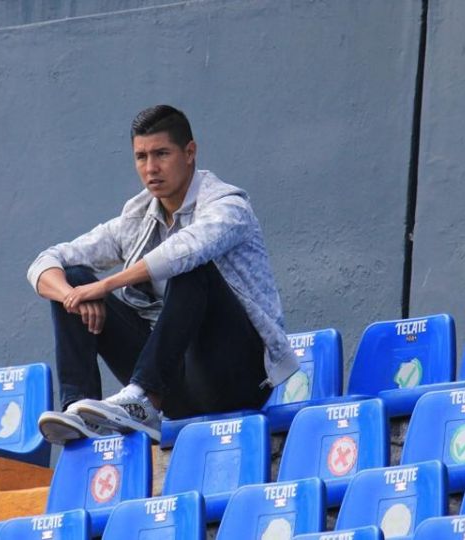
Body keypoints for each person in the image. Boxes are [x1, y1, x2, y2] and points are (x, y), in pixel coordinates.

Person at [26, 105, 298, 444]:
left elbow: (183, 251)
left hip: (237, 379)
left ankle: (144, 397)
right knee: (74, 276)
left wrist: (105, 285)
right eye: (141, 157)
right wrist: (74, 295)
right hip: (178, 382)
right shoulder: (137, 217)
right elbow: (45, 261)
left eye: (161, 154)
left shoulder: (229, 206)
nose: (150, 168)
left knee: (191, 269)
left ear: (190, 153)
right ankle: (79, 409)